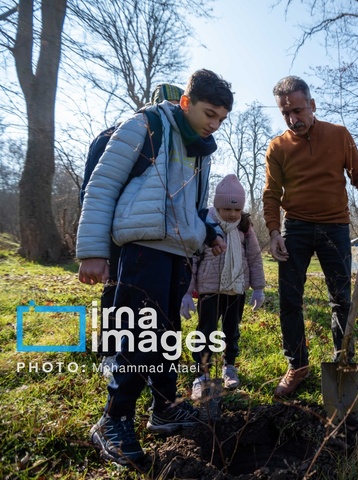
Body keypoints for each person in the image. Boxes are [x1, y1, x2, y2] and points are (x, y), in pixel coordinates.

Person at [77, 69, 234, 465]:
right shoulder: (145, 126)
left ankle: (163, 408)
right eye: (209, 113)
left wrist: (209, 231)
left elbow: (194, 207)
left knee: (165, 334)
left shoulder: (199, 148)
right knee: (139, 335)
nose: (213, 124)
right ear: (186, 102)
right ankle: (113, 420)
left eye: (220, 119)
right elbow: (104, 184)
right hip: (142, 248)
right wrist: (94, 251)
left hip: (177, 252)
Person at [263, 75, 358, 397]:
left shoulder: (339, 135)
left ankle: (343, 361)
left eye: (299, 110)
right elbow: (271, 194)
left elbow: (357, 173)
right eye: (286, 113)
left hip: (336, 227)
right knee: (289, 299)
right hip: (296, 229)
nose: (293, 118)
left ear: (312, 105)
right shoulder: (277, 147)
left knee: (341, 300)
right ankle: (297, 364)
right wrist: (275, 231)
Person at [80, 83, 185, 359]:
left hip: (152, 235)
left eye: (178, 107)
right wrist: (97, 247)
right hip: (118, 232)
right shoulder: (114, 136)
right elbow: (92, 191)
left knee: (151, 299)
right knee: (115, 291)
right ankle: (110, 352)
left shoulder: (180, 145)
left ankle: (148, 356)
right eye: (168, 106)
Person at [181, 174, 266, 400]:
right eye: (227, 208)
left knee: (232, 331)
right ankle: (202, 374)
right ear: (217, 206)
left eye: (237, 210)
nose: (232, 214)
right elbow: (193, 259)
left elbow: (255, 258)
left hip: (236, 290)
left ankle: (229, 366)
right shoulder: (206, 226)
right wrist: (187, 292)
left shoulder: (245, 228)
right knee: (205, 331)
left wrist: (258, 287)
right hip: (210, 290)